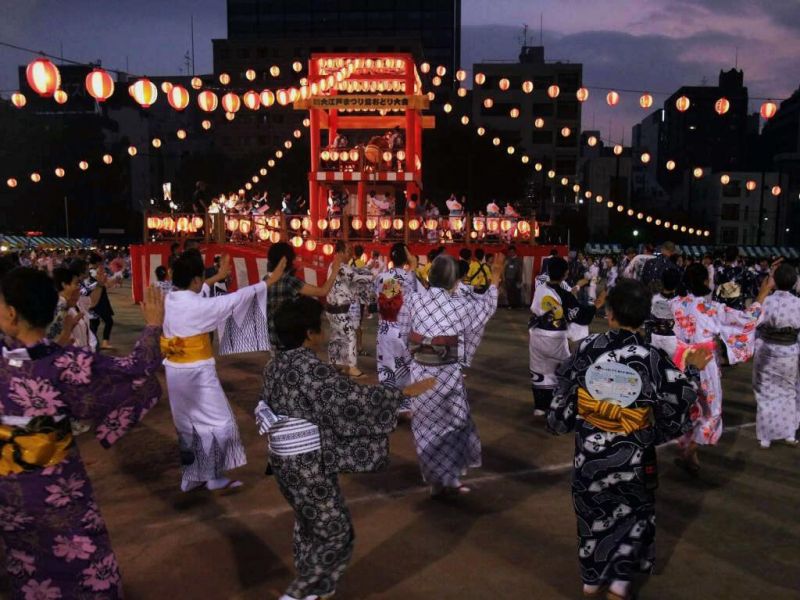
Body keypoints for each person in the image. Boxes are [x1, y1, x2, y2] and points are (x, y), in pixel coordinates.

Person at [255, 297, 434, 600]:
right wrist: (400, 394)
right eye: (320, 326)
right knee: (337, 534)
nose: (323, 330)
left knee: (309, 523)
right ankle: (299, 593)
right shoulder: (310, 369)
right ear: (310, 334)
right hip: (307, 463)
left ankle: (317, 590)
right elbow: (352, 401)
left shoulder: (275, 365)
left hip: (284, 462)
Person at [0, 268, 163, 598]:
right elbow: (134, 371)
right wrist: (153, 327)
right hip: (58, 489)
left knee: (23, 564)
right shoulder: (65, 363)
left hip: (8, 495)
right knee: (82, 558)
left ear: (12, 313)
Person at [548, 278, 710, 600]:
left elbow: (561, 400)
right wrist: (690, 371)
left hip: (590, 456)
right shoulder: (651, 357)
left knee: (592, 514)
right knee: (632, 513)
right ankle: (620, 583)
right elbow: (682, 400)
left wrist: (566, 420)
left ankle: (592, 579)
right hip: (632, 455)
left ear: (609, 314)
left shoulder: (588, 349)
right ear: (645, 316)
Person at [162, 252, 286, 492]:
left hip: (174, 370)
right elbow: (237, 299)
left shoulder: (170, 298)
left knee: (188, 424)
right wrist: (267, 282)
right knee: (221, 424)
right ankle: (214, 476)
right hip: (197, 373)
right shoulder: (201, 306)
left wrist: (217, 276)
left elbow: (200, 290)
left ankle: (192, 475)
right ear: (196, 280)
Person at [404, 253, 503, 495]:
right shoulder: (460, 306)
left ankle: (439, 480)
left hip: (420, 376)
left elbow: (405, 333)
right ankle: (449, 477)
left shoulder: (414, 300)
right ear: (454, 281)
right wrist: (495, 279)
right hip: (446, 377)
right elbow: (486, 308)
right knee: (454, 424)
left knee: (427, 426)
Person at [670, 262, 770, 473]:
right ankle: (692, 449)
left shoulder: (674, 304)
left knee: (688, 407)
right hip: (704, 362)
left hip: (679, 361)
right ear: (706, 281)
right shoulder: (711, 308)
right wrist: (762, 295)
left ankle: (690, 454)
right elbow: (747, 320)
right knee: (710, 410)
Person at [529, 257, 603, 417]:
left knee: (540, 371)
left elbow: (559, 299)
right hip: (555, 339)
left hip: (536, 335)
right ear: (566, 274)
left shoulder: (540, 288)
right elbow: (581, 316)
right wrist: (596, 305)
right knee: (568, 370)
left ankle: (540, 407)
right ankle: (562, 406)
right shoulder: (564, 295)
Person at [752, 262, 800, 448]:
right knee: (788, 391)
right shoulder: (798, 304)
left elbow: (753, 320)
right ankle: (788, 433)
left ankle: (766, 436)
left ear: (775, 281)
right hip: (789, 351)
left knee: (765, 391)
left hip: (767, 349)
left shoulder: (767, 301)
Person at [266, 242, 344, 349]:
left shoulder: (265, 280)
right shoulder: (289, 281)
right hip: (288, 337)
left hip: (271, 335)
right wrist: (334, 271)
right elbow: (322, 291)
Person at [375, 243, 419, 409]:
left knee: (386, 367)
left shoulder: (383, 277)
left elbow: (384, 299)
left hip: (385, 329)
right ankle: (405, 407)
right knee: (405, 368)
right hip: (406, 330)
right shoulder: (411, 278)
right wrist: (413, 267)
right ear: (407, 257)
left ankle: (389, 406)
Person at [325, 242, 374, 378]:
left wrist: (368, 269)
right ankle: (352, 367)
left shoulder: (336, 265)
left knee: (336, 336)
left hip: (333, 309)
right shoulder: (339, 266)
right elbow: (355, 277)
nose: (351, 255)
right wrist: (374, 277)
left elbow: (354, 272)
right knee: (350, 335)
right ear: (340, 252)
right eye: (348, 251)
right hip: (338, 310)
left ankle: (334, 365)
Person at [644, 268, 681, 358]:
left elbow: (645, 321)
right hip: (674, 342)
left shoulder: (652, 298)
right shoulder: (681, 302)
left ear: (662, 281)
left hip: (653, 340)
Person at [87, 253, 115, 351]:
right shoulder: (95, 272)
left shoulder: (89, 272)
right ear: (98, 262)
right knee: (108, 321)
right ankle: (103, 342)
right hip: (99, 300)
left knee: (95, 322)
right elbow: (105, 284)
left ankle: (93, 343)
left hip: (93, 300)